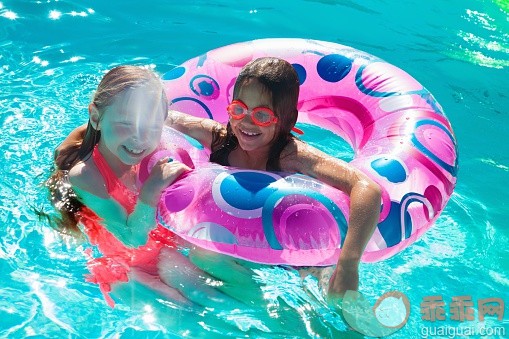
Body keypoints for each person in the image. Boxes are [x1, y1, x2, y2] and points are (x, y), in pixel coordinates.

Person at [165, 57, 382, 301]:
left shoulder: (291, 155)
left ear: (287, 120)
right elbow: (166, 118)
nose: (246, 122)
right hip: (236, 243)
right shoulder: (219, 139)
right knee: (200, 256)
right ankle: (260, 306)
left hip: (295, 253)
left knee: (335, 297)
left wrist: (349, 264)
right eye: (239, 109)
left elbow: (366, 188)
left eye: (262, 115)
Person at [47, 65, 191, 307]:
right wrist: (150, 192)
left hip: (163, 240)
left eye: (153, 126)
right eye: (127, 124)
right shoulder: (86, 175)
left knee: (211, 286)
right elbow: (132, 238)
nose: (141, 138)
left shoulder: (157, 146)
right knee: (184, 306)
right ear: (96, 118)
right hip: (128, 258)